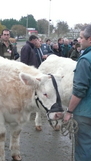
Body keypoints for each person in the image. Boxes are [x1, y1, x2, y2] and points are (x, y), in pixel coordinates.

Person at [63, 24, 91, 161]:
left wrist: (69, 111)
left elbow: (79, 91)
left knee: (84, 147)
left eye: (81, 37)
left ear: (90, 39)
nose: (79, 40)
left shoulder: (86, 60)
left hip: (86, 114)